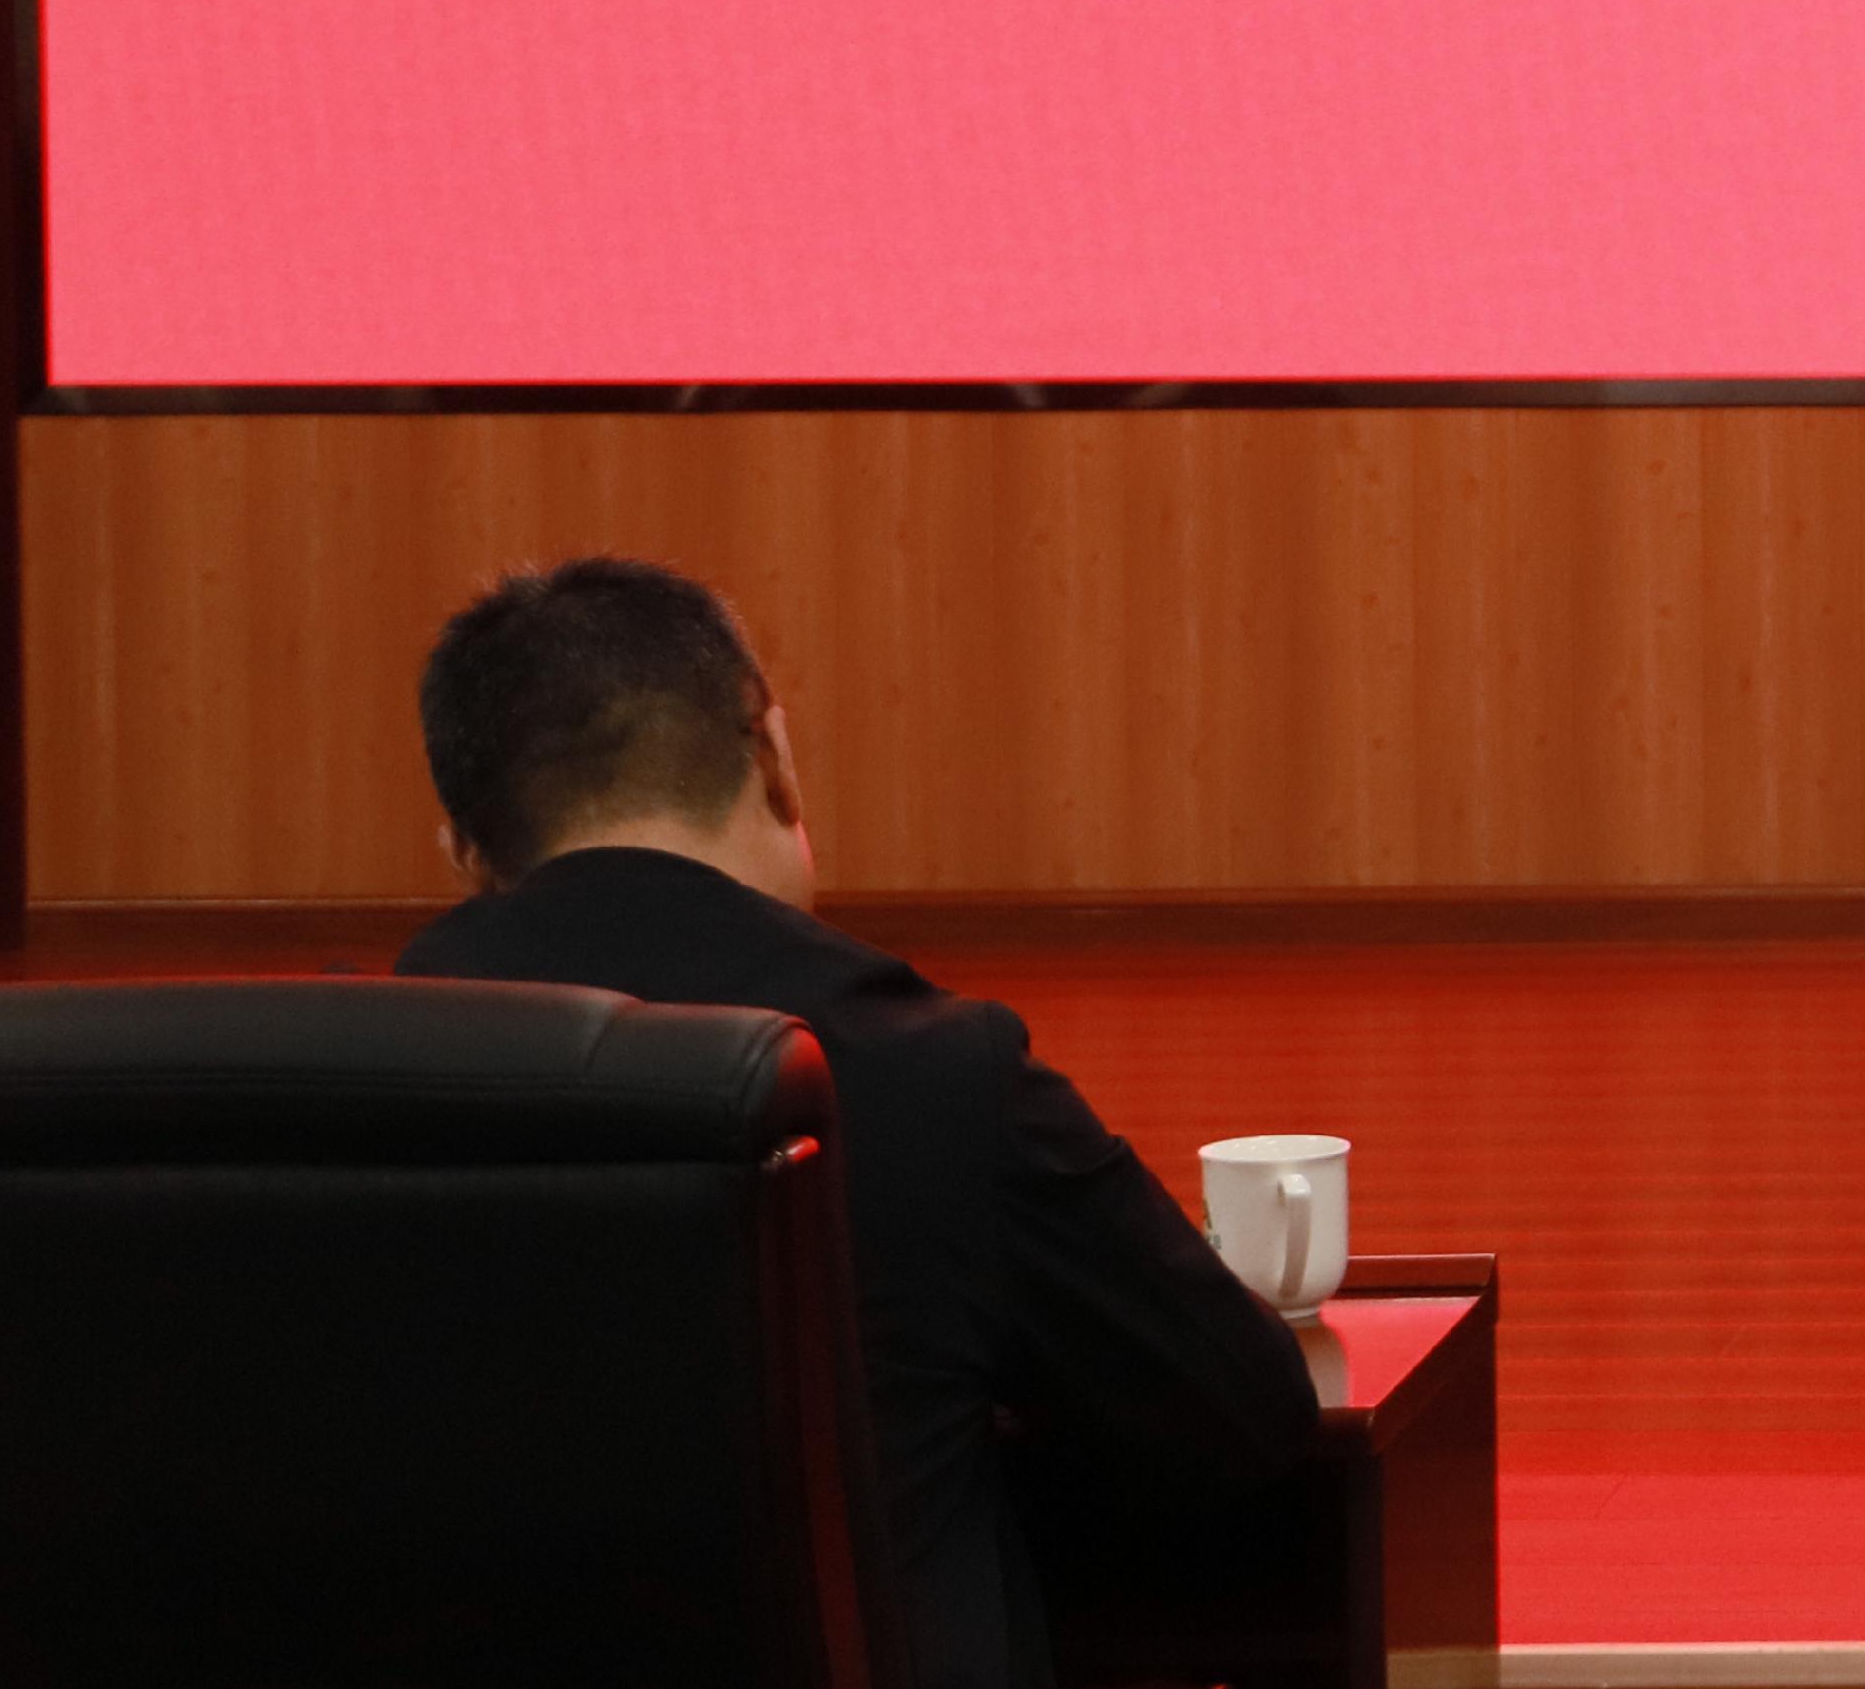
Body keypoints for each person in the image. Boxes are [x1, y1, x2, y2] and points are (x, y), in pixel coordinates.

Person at [394, 558, 1315, 1689]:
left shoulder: (334, 1091)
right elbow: (1242, 1411)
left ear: (466, 851)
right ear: (773, 761)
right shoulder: (937, 1070)